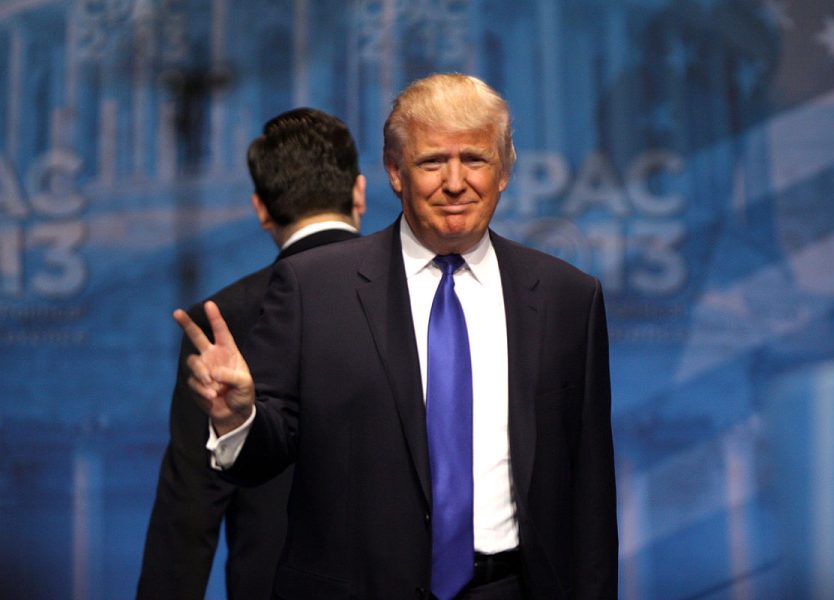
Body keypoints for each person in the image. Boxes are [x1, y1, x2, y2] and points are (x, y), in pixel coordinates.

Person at [176, 73, 617, 599]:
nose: (455, 182)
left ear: (503, 171)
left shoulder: (568, 296)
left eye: (475, 159)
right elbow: (263, 459)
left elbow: (590, 492)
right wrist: (238, 419)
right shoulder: (315, 287)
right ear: (393, 172)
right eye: (432, 162)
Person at [137, 107, 366, 600]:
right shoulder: (427, 295)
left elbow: (189, 508)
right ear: (361, 193)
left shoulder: (221, 319)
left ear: (260, 209)